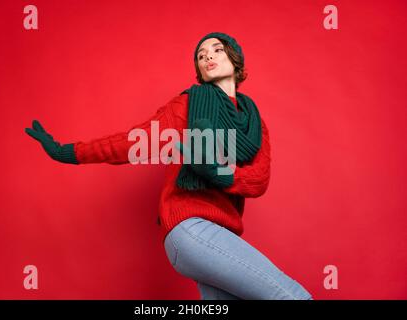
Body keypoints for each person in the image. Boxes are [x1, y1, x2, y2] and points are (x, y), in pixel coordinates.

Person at [25, 32, 313, 300]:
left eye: (216, 50)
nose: (208, 57)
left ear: (235, 59)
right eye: (201, 56)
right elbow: (132, 142)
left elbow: (259, 179)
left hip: (223, 233)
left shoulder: (254, 123)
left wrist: (217, 173)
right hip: (190, 228)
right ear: (199, 71)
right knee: (290, 296)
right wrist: (66, 151)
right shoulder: (187, 106)